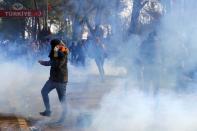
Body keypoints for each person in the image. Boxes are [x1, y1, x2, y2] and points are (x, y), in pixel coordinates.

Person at [38, 39, 69, 122]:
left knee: (62, 99)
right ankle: (48, 111)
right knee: (44, 91)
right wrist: (45, 62)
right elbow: (53, 61)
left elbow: (57, 64)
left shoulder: (63, 52)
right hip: (53, 79)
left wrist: (44, 63)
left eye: (53, 46)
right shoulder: (56, 50)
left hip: (61, 80)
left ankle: (64, 116)